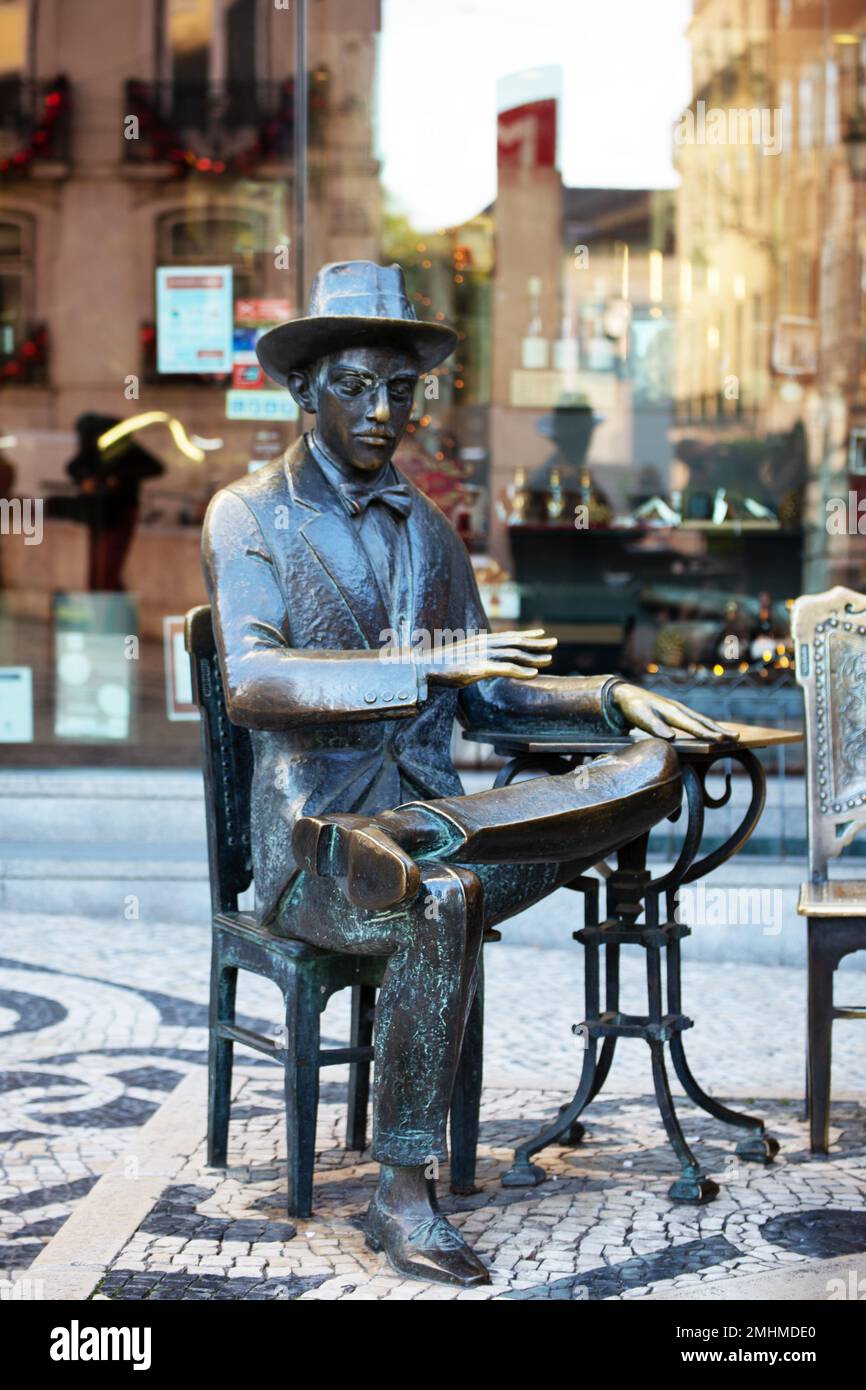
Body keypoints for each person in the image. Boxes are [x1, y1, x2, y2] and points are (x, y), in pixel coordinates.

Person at [202, 261, 729, 1286]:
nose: (381, 409)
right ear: (303, 390)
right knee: (439, 897)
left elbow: (487, 696)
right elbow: (254, 683)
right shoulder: (247, 516)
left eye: (399, 389)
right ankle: (401, 1198)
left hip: (435, 822)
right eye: (355, 385)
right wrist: (426, 664)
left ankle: (489, 825)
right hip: (318, 854)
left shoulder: (429, 532)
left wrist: (608, 699)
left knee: (650, 769)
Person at [66, 413, 164, 591]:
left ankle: (112, 609)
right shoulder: (95, 449)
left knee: (107, 571)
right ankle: (101, 607)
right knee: (98, 571)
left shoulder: (125, 450)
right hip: (99, 512)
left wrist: (118, 478)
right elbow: (74, 467)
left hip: (119, 512)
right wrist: (87, 480)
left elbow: (154, 468)